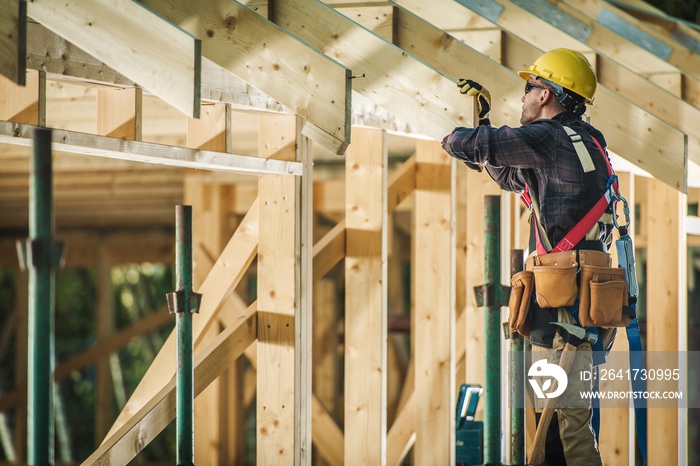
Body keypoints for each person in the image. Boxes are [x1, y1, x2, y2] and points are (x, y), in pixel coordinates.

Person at [442, 49, 621, 465]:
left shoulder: (550, 138)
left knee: (560, 431)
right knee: (565, 421)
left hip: (561, 310)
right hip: (582, 305)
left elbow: (469, 145)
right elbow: (506, 171)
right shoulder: (584, 143)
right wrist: (484, 122)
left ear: (546, 96)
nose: (522, 99)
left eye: (528, 89)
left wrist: (459, 133)